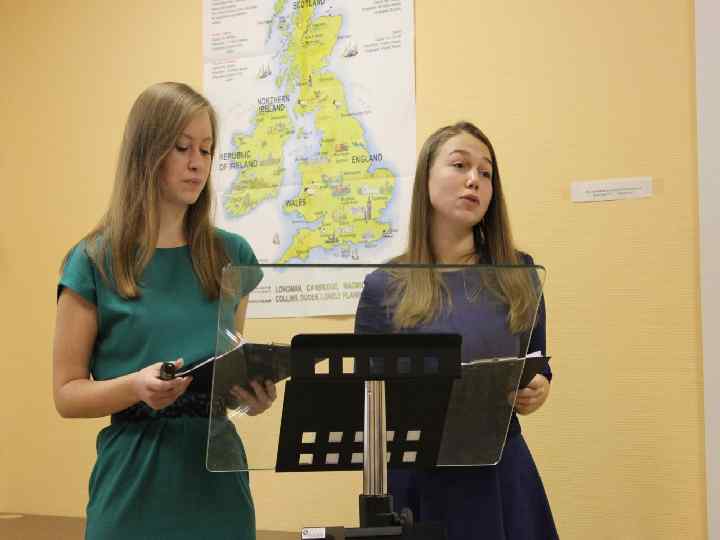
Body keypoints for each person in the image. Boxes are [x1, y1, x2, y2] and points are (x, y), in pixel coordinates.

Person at [53, 82, 274, 540]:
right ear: (147, 152)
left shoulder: (232, 255)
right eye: (182, 147)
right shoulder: (92, 261)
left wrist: (250, 398)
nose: (197, 163)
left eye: (206, 150)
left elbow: (227, 379)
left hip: (219, 490)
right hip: (133, 486)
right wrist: (135, 386)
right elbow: (66, 394)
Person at [355, 121, 558, 539]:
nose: (474, 180)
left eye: (486, 173)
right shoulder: (384, 284)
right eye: (460, 165)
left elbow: (537, 363)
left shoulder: (519, 271)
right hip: (419, 475)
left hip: (500, 472)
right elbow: (365, 396)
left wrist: (538, 387)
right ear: (426, 178)